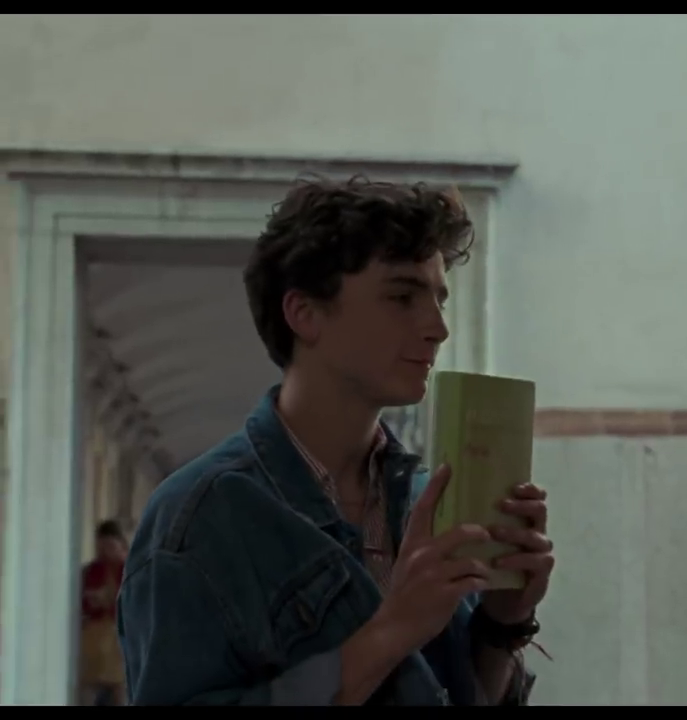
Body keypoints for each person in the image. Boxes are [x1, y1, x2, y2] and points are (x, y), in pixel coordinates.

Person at [118, 177, 555, 706]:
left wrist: (504, 623)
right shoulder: (198, 517)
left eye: (439, 299)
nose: (437, 327)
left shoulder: (426, 496)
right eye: (402, 296)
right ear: (304, 313)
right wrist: (392, 631)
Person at [80, 520, 129, 706]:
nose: (105, 552)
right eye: (101, 547)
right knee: (89, 687)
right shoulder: (92, 570)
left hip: (120, 636)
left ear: (120, 545)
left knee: (120, 689)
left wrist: (110, 598)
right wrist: (93, 599)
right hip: (95, 635)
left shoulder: (129, 570)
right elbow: (82, 602)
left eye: (110, 547)